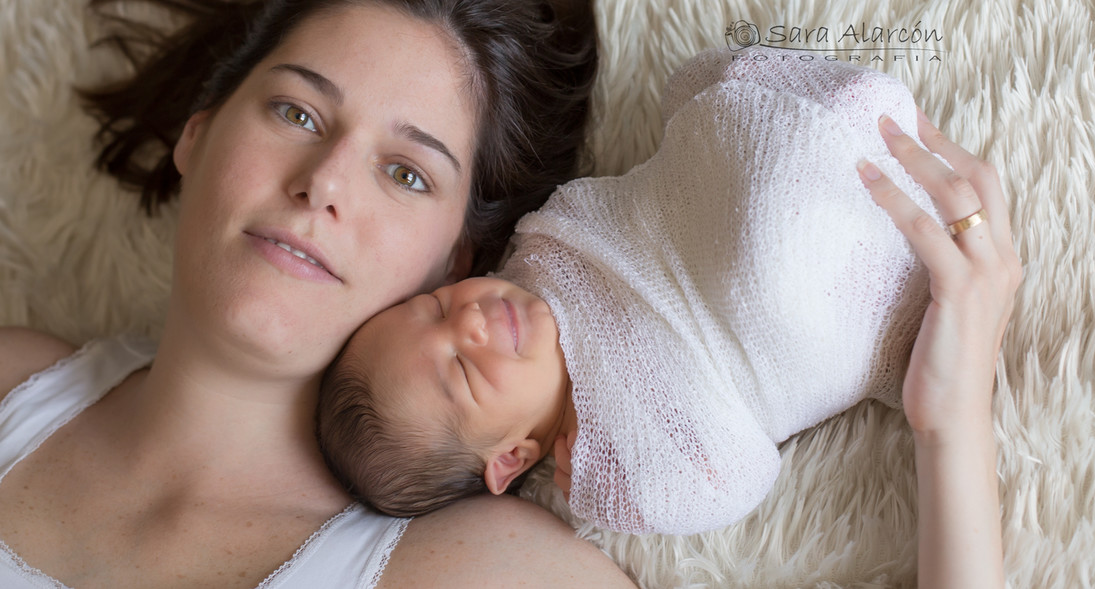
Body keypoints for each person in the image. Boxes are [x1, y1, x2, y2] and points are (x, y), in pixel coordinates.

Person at [0, 0, 637, 587]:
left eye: (407, 173)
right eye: (297, 112)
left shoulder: (490, 570)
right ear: (198, 133)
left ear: (455, 262)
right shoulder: (11, 385)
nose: (324, 183)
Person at [319, 49, 1021, 582]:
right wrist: (609, 482)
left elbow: (603, 206)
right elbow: (737, 476)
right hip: (817, 300)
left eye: (437, 306)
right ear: (510, 456)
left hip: (745, 175)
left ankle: (797, 130)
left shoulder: (540, 252)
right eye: (464, 372)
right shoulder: (623, 466)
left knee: (713, 112)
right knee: (773, 273)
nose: (467, 322)